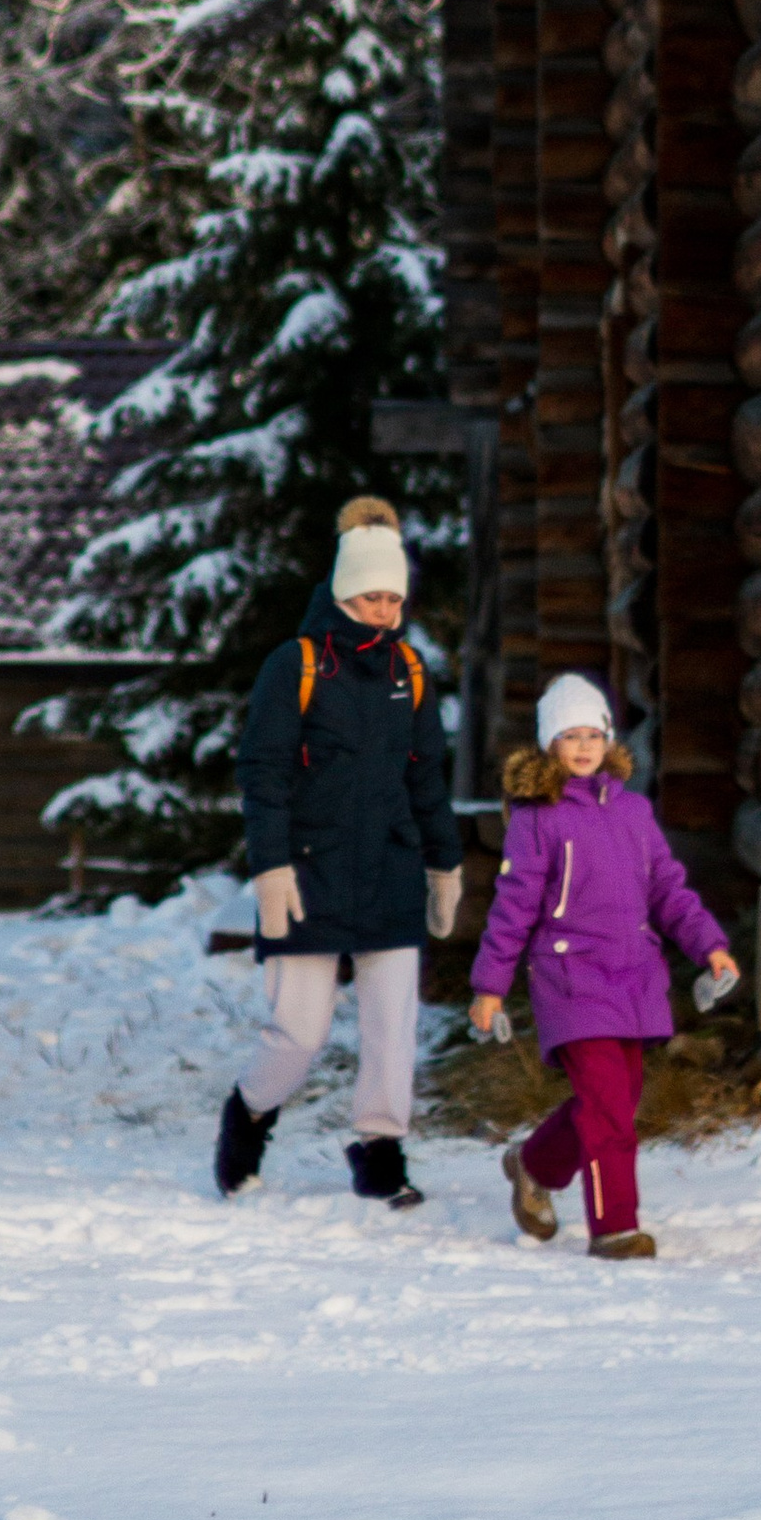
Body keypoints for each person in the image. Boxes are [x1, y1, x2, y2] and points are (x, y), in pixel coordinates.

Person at [215, 498, 462, 1211]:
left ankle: (379, 1149)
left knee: (394, 1028)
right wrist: (269, 868)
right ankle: (250, 1114)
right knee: (299, 1033)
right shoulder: (292, 666)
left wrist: (443, 867)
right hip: (307, 873)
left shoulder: (408, 671)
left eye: (393, 598)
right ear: (342, 592)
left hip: (388, 870)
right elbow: (262, 775)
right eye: (370, 596)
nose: (384, 610)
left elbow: (426, 777)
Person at [467, 670, 738, 1262]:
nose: (584, 746)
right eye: (570, 736)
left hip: (635, 973)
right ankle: (614, 1227)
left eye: (593, 733)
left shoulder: (634, 811)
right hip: (570, 976)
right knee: (608, 1105)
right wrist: (490, 984)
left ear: (609, 739)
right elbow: (513, 906)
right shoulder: (538, 818)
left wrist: (708, 945)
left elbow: (668, 888)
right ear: (550, 745)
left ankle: (533, 1163)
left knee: (616, 1098)